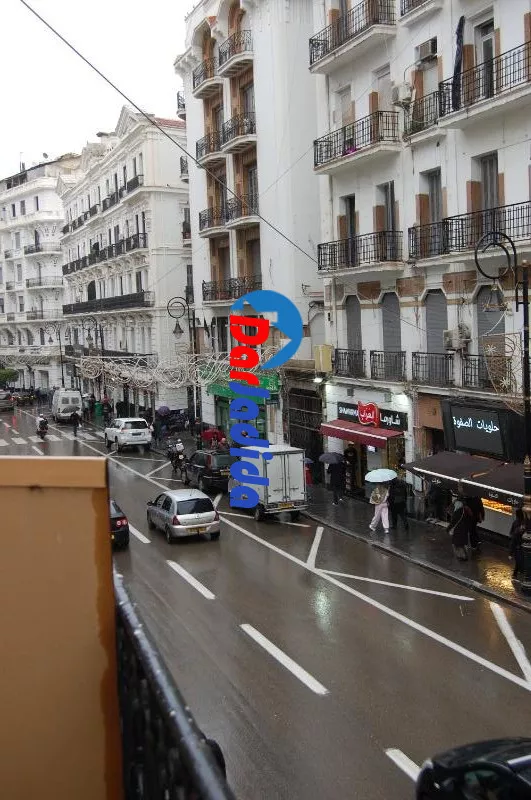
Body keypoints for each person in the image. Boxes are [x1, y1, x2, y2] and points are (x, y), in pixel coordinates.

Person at [447, 492, 473, 561]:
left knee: (456, 544)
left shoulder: (458, 512)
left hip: (458, 530)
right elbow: (470, 518)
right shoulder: (465, 510)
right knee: (461, 544)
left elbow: (453, 522)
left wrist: (448, 529)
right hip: (464, 530)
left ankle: (462, 556)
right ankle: (464, 556)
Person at [509, 508, 526, 580]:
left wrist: (510, 553)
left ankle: (516, 573)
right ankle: (517, 573)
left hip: (518, 546)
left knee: (519, 561)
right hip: (521, 546)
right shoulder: (524, 523)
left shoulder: (516, 522)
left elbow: (512, 535)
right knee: (520, 560)